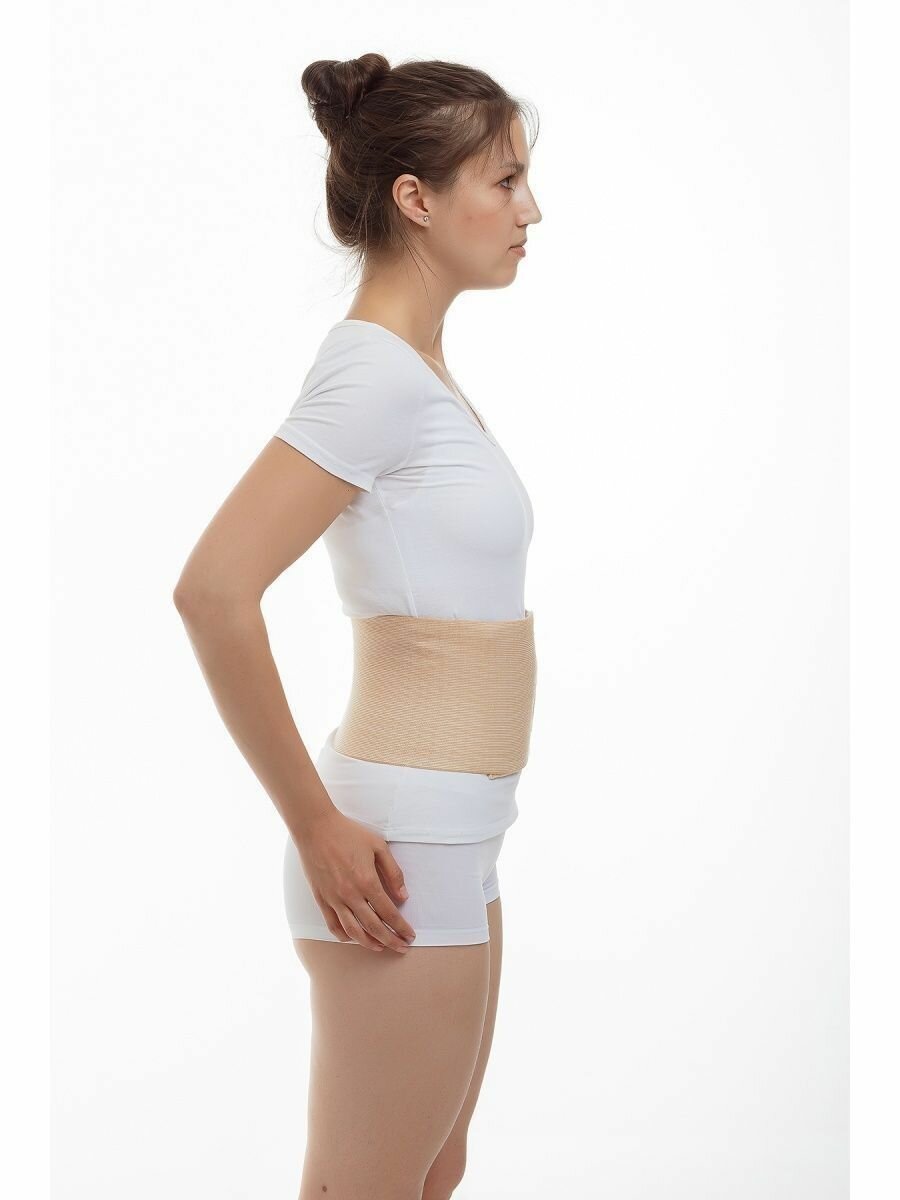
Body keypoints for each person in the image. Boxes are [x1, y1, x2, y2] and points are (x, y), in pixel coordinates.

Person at [174, 52, 542, 1200]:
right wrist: (316, 826)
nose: (531, 209)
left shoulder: (415, 369)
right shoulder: (371, 375)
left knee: (431, 1173)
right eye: (505, 180)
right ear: (416, 199)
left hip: (457, 834)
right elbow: (213, 591)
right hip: (394, 847)